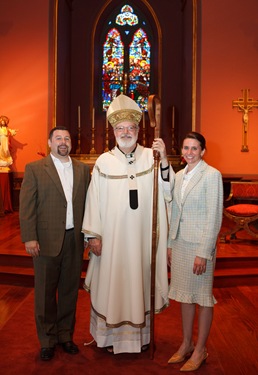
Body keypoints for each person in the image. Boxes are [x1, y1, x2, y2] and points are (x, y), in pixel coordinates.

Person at [82, 94, 173, 354]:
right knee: (114, 285)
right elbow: (93, 200)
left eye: (131, 127)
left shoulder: (151, 157)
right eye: (120, 128)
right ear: (113, 131)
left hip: (144, 239)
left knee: (140, 285)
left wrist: (164, 158)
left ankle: (140, 338)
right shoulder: (103, 161)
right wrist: (93, 236)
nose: (125, 132)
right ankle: (110, 339)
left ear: (138, 130)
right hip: (111, 240)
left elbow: (169, 191)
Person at [19, 126, 90, 361]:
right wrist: (29, 236)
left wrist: (89, 234)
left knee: (69, 291)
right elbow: (27, 206)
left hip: (74, 239)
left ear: (72, 143)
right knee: (45, 293)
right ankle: (47, 339)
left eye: (67, 138)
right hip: (45, 240)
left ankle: (65, 336)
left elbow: (89, 205)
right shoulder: (35, 169)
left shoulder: (82, 170)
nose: (63, 142)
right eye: (58, 138)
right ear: (49, 142)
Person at [167, 131, 223, 371]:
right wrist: (170, 244)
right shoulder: (179, 176)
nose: (189, 152)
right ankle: (186, 343)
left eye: (194, 148)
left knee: (202, 297)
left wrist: (204, 251)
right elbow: (174, 212)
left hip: (200, 246)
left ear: (203, 151)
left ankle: (200, 349)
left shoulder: (211, 175)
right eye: (186, 148)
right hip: (180, 244)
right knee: (183, 295)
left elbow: (214, 216)